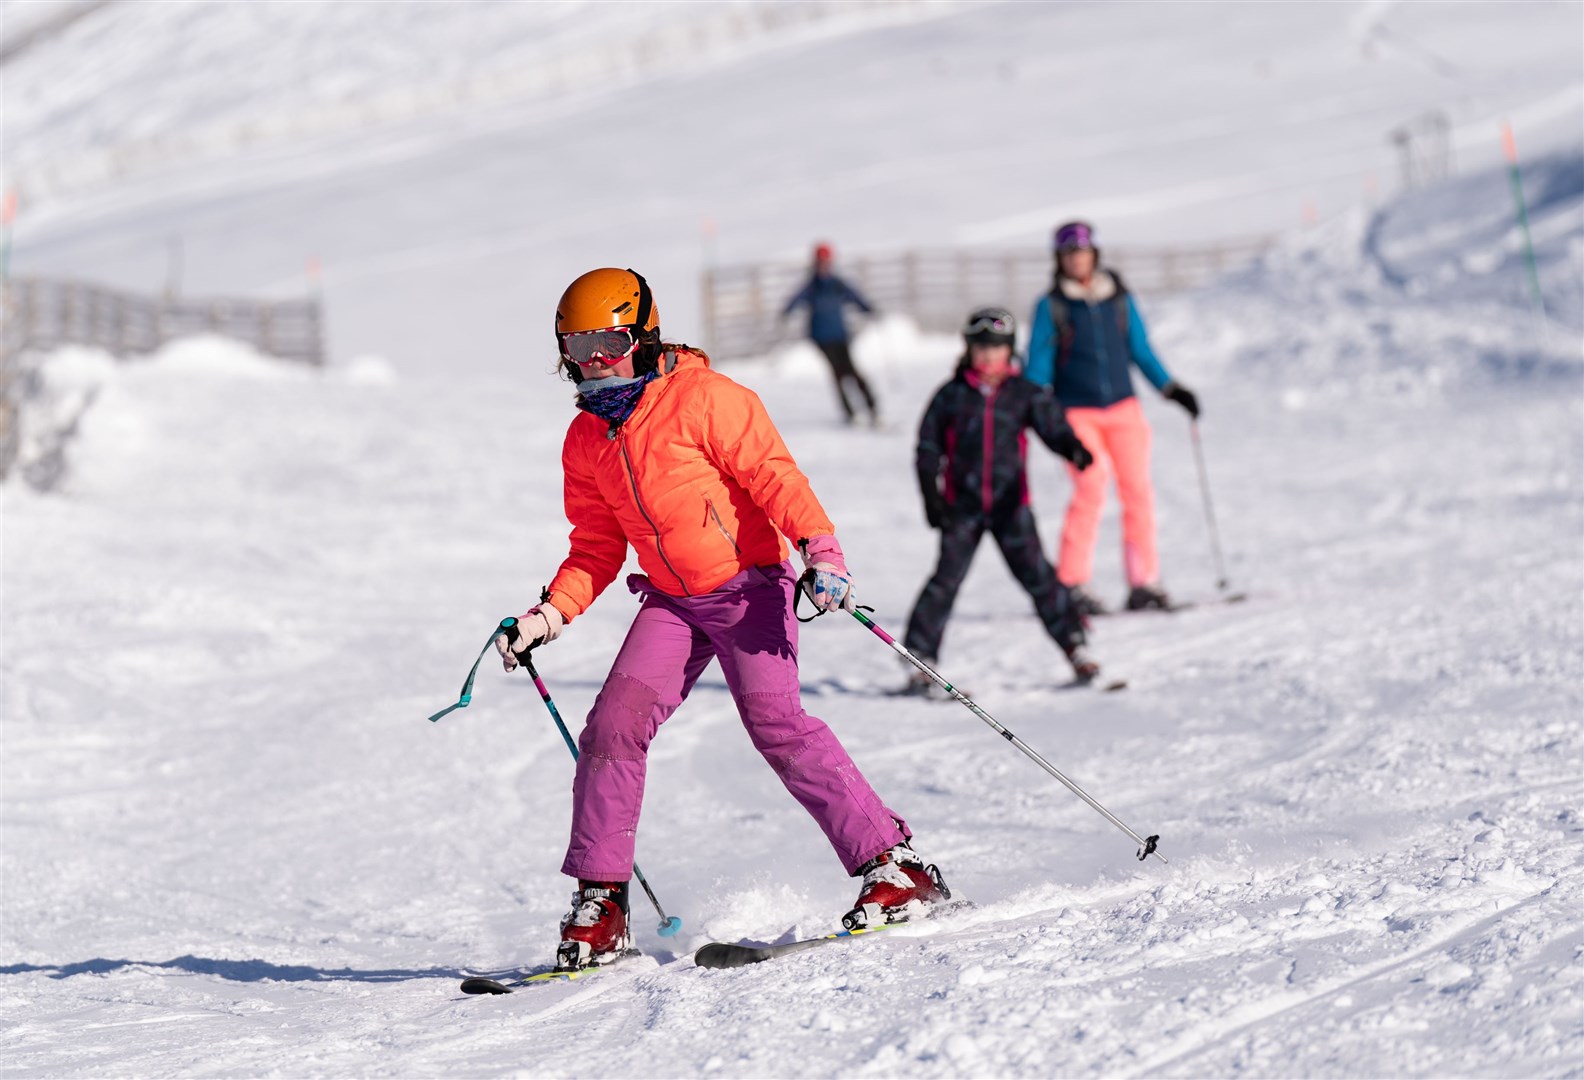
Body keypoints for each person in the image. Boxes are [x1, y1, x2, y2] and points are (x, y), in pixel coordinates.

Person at [496, 267, 950, 972]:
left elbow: (776, 476)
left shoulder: (707, 400)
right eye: (578, 345)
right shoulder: (586, 440)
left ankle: (896, 867)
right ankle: (601, 905)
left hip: (750, 589)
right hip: (674, 603)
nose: (594, 361)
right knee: (613, 727)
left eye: (608, 341)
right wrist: (548, 616)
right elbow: (594, 547)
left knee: (776, 722)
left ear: (642, 335)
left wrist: (821, 551)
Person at [903, 307, 1100, 691]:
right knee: (946, 580)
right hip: (963, 508)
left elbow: (1052, 427)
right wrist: (932, 496)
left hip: (1012, 507)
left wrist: (1072, 447)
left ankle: (1075, 646)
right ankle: (919, 658)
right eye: (981, 348)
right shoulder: (951, 395)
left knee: (1040, 577)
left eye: (996, 348)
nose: (989, 356)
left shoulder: (1023, 393)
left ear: (1009, 350)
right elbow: (928, 449)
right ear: (968, 350)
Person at [1025, 221, 1200, 614]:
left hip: (1125, 409)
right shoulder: (1051, 306)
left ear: (1095, 254)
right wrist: (1031, 402)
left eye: (1083, 251)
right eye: (1069, 253)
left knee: (1138, 491)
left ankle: (1144, 582)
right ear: (1060, 259)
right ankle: (1071, 584)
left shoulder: (1118, 299)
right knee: (1090, 487)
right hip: (1076, 412)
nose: (1077, 259)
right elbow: (1038, 363)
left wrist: (1172, 389)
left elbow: (1140, 349)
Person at [781, 242, 883, 427]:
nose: (824, 265)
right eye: (821, 261)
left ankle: (872, 407)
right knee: (838, 374)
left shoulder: (837, 284)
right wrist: (787, 311)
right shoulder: (812, 286)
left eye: (826, 261)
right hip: (821, 338)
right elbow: (797, 299)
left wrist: (868, 308)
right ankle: (850, 413)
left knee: (852, 372)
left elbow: (854, 296)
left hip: (840, 335)